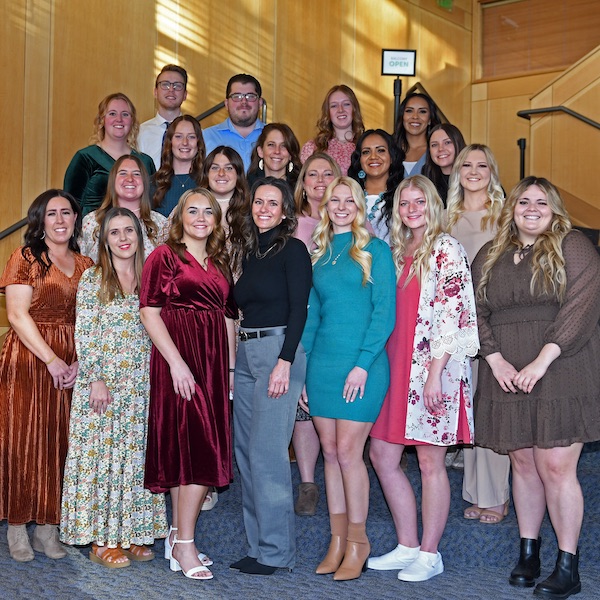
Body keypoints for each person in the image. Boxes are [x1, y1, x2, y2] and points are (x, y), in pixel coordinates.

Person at [472, 177, 600, 599]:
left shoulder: (573, 245)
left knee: (556, 468)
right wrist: (495, 359)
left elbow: (581, 306)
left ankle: (568, 565)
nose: (531, 208)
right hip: (506, 371)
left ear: (555, 208)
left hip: (561, 366)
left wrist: (542, 360)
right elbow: (474, 311)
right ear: (510, 208)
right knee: (523, 464)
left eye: (541, 202)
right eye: (523, 201)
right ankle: (529, 553)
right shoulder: (490, 255)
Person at [368, 175, 478, 582]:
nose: (411, 209)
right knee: (382, 456)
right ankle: (407, 545)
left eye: (419, 202)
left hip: (434, 371)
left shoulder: (446, 249)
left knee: (431, 462)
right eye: (404, 203)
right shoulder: (398, 250)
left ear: (433, 205)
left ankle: (431, 554)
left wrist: (435, 375)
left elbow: (455, 316)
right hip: (395, 367)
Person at [60, 207, 168, 567]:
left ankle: (132, 532)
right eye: (114, 233)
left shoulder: (150, 277)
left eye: (129, 231)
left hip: (141, 384)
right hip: (103, 385)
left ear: (139, 236)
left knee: (135, 460)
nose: (123, 238)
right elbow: (85, 332)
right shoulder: (94, 278)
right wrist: (96, 378)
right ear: (104, 241)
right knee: (102, 460)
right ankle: (102, 539)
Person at [301, 176, 396, 580]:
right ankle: (336, 539)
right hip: (322, 365)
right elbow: (311, 317)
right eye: (334, 200)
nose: (341, 206)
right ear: (325, 206)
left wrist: (362, 363)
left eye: (349, 200)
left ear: (359, 206)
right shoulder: (318, 253)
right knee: (329, 450)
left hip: (363, 365)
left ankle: (358, 541)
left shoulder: (375, 250)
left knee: (348, 451)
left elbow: (384, 313)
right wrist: (302, 370)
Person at [140, 188, 237, 580]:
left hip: (213, 362)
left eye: (208, 212)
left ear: (216, 220)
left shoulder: (219, 261)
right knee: (196, 447)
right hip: (178, 358)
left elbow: (229, 316)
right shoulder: (164, 256)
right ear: (179, 217)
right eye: (192, 211)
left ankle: (178, 536)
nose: (200, 217)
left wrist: (228, 370)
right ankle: (186, 545)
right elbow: (149, 312)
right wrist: (177, 365)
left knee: (192, 448)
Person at [0, 190, 93, 562]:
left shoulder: (87, 264)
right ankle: (18, 525)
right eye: (51, 213)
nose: (59, 220)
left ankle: (48, 526)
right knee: (25, 438)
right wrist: (52, 359)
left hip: (73, 361)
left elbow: (94, 320)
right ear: (39, 220)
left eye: (66, 212)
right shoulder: (25, 258)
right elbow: (17, 315)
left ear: (75, 219)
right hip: (30, 355)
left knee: (61, 443)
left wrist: (80, 362)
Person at [229, 177, 312, 575]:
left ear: (285, 211)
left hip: (278, 352)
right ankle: (258, 546)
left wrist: (286, 361)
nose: (264, 208)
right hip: (246, 352)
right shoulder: (247, 252)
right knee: (246, 455)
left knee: (267, 455)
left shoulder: (293, 251)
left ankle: (277, 553)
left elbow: (300, 310)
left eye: (272, 203)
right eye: (258, 202)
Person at [446, 144, 510, 522]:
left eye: (481, 165)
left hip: (492, 325)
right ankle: (477, 491)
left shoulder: (504, 217)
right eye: (466, 165)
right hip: (455, 329)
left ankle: (496, 496)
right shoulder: (447, 217)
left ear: (492, 171)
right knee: (468, 408)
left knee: (491, 410)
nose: (473, 171)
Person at [290, 153, 341, 516]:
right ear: (303, 181)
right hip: (301, 320)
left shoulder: (350, 224)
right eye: (312, 174)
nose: (320, 180)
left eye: (328, 174)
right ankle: (308, 481)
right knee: (301, 405)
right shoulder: (292, 223)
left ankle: (340, 471)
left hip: (338, 326)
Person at [64, 93, 155, 217]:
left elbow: (151, 204)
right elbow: (70, 206)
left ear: (132, 121)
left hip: (135, 231)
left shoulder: (145, 162)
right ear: (102, 120)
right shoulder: (85, 158)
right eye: (112, 113)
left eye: (125, 114)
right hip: (93, 231)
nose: (119, 119)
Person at [80, 155, 167, 263]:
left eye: (136, 174)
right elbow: (82, 266)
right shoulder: (92, 222)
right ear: (112, 180)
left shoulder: (160, 224)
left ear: (145, 181)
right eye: (123, 173)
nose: (130, 179)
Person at [348, 129, 403, 243]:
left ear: (392, 157)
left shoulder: (403, 194)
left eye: (381, 150)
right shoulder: (349, 193)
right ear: (360, 159)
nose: (373, 157)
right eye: (366, 152)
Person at [203, 74, 265, 170]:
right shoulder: (206, 137)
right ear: (226, 104)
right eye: (237, 96)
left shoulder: (274, 138)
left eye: (250, 96)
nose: (244, 102)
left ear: (260, 103)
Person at [300, 85, 365, 175]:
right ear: (328, 112)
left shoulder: (366, 146)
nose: (340, 110)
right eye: (334, 106)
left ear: (354, 109)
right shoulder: (312, 148)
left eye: (346, 104)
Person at [152, 115, 205, 217]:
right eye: (178, 136)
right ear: (170, 142)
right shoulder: (153, 184)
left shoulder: (208, 181)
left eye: (191, 137)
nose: (185, 142)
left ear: (198, 143)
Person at [138, 64, 189, 169]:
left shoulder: (197, 134)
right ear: (155, 92)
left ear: (185, 95)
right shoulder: (140, 133)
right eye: (165, 84)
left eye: (177, 85)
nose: (171, 89)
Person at [392, 92, 441, 178]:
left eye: (422, 112)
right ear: (402, 116)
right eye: (409, 111)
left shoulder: (439, 150)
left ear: (430, 119)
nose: (415, 117)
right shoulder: (389, 148)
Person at [246, 123, 301, 190]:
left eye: (284, 146)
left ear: (291, 154)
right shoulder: (246, 188)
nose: (277, 151)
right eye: (271, 145)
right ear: (260, 151)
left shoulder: (301, 187)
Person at [422, 123, 466, 206]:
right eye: (434, 145)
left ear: (458, 143)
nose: (441, 149)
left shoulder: (472, 174)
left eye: (447, 142)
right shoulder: (426, 176)